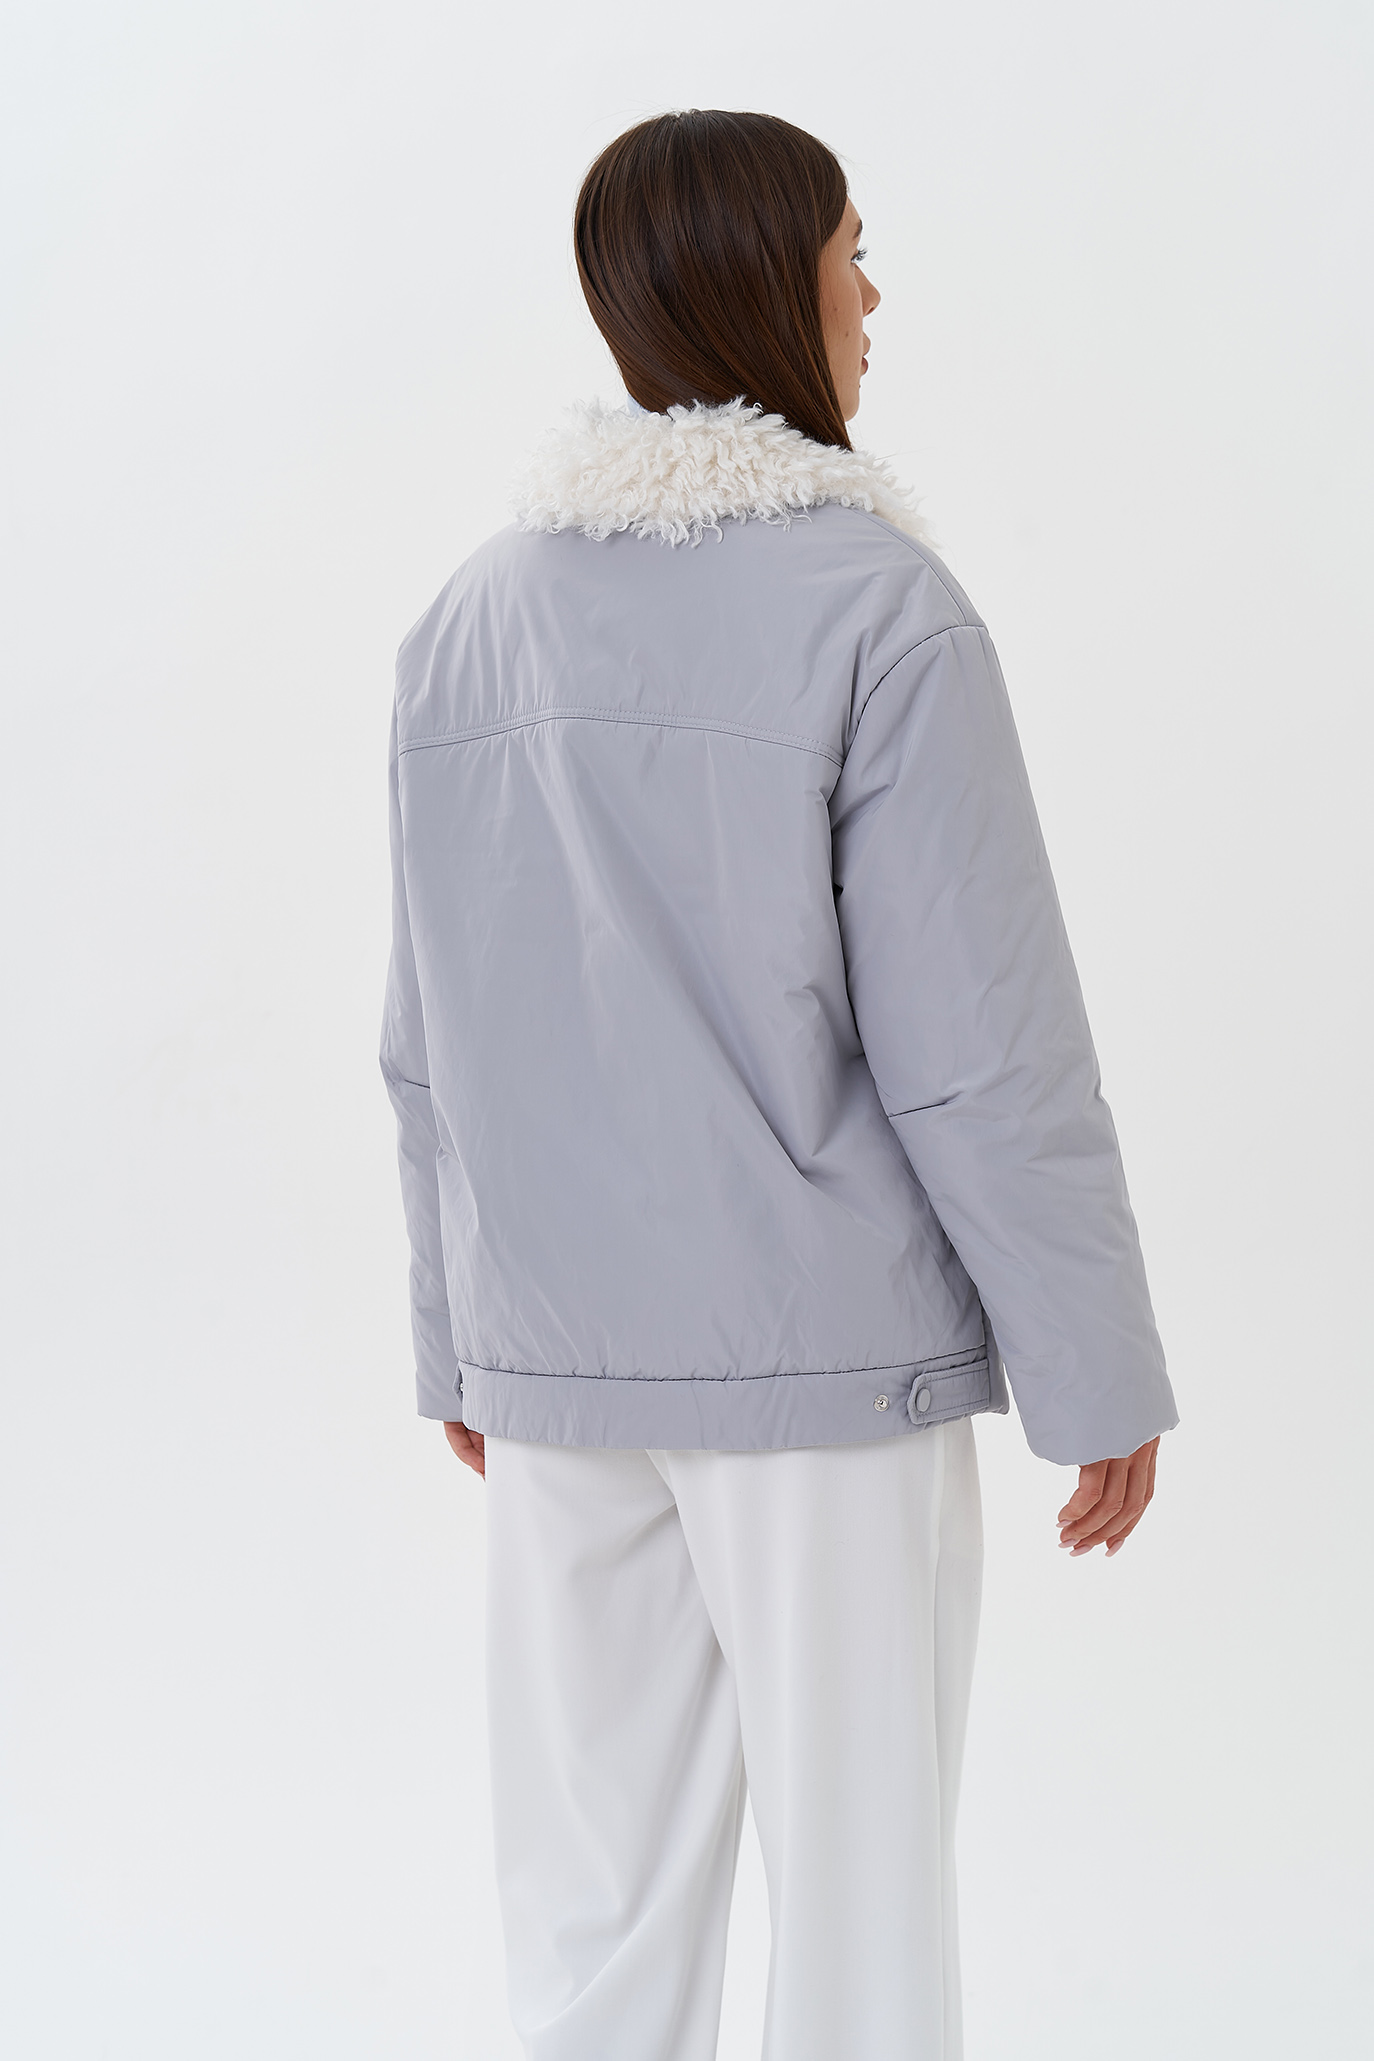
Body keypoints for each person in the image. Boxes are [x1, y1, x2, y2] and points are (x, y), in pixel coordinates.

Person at [380, 108, 1177, 2061]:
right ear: (763, 286)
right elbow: (982, 1048)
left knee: (591, 1923)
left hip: (560, 1372)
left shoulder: (466, 620)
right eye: (850, 257)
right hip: (824, 1383)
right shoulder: (880, 610)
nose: (873, 301)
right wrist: (1094, 1369)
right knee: (860, 1910)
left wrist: (456, 1335)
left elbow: (429, 1036)